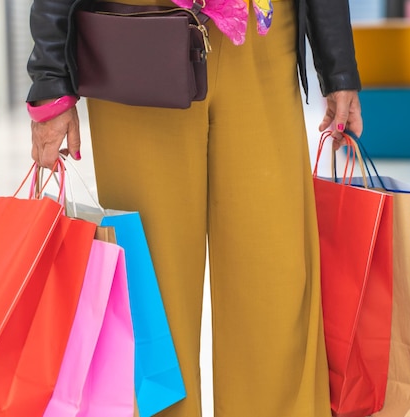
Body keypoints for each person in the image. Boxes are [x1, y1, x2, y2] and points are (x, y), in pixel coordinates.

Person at [26, 0, 363, 416]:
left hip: (262, 35)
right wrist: (52, 79)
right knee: (152, 302)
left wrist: (338, 65)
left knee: (274, 286)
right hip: (138, 35)